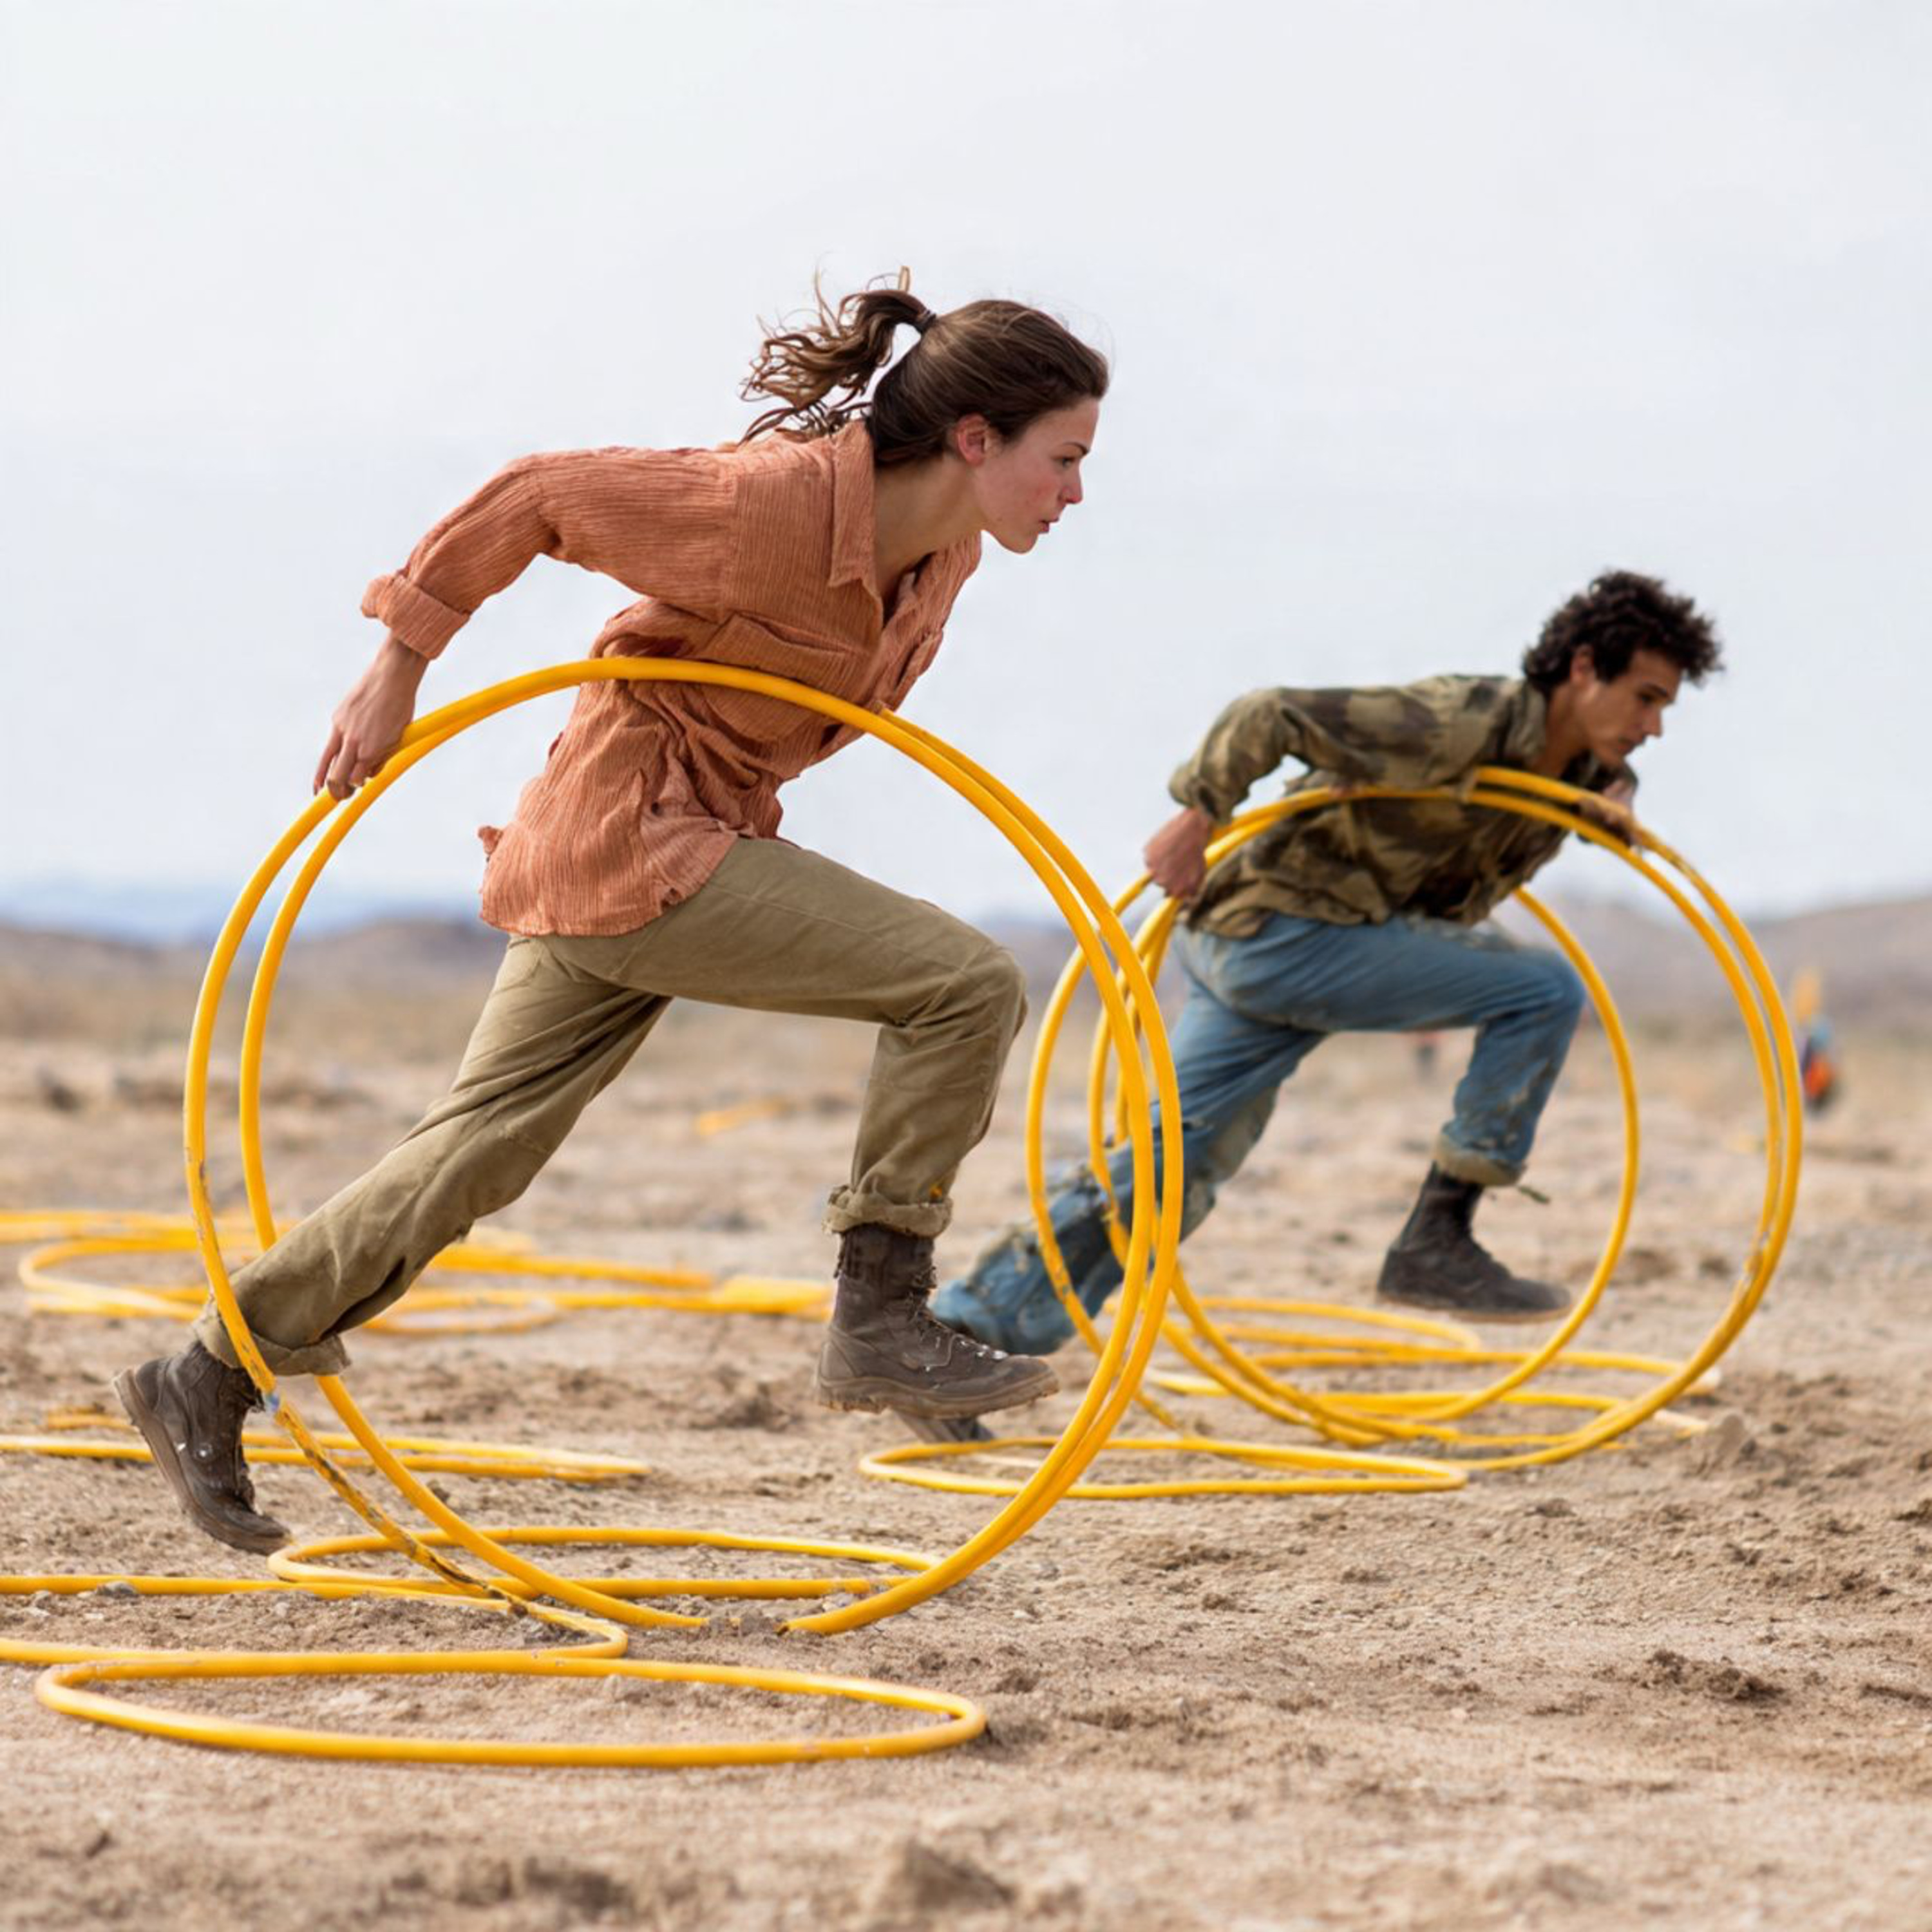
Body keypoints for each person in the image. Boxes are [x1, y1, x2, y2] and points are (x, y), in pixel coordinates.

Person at [116, 272, 1109, 1553]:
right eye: (1066, 459)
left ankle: (207, 1371)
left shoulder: (944, 555)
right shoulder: (773, 507)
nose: (1076, 493)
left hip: (644, 845)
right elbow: (537, 497)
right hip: (637, 837)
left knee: (475, 1154)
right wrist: (398, 661)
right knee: (965, 985)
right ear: (977, 441)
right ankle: (882, 1311)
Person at [933, 571, 1723, 1356]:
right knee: (1544, 990)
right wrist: (1199, 811)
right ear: (1584, 669)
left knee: (1173, 1164)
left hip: (1276, 945)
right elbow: (1269, 713)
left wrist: (1619, 789)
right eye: (1646, 698)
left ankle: (973, 1325)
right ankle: (1438, 1235)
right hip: (1283, 934)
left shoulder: (1578, 769)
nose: (1653, 725)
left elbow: (1604, 781)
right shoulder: (1457, 722)